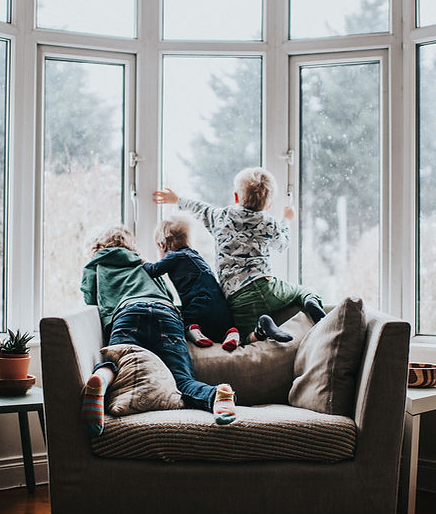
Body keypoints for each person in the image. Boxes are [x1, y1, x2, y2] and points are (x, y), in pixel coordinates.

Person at [79, 226, 236, 436]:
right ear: (129, 244)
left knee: (117, 366)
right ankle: (216, 395)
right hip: (166, 313)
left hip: (127, 313)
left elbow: (90, 299)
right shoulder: (142, 263)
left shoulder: (96, 264)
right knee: (181, 379)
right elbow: (169, 294)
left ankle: (101, 380)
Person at [153, 167, 326, 345]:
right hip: (266, 285)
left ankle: (261, 328)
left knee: (242, 339)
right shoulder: (268, 223)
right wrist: (287, 220)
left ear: (236, 197)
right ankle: (311, 303)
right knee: (303, 291)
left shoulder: (221, 217)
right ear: (269, 205)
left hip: (237, 296)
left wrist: (177, 200)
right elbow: (283, 243)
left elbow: (200, 209)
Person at [143, 216, 240, 351]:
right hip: (220, 307)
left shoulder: (173, 256)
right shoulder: (195, 255)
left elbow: (153, 271)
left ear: (162, 244)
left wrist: (142, 262)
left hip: (198, 304)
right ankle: (231, 333)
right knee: (224, 327)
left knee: (186, 320)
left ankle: (193, 331)